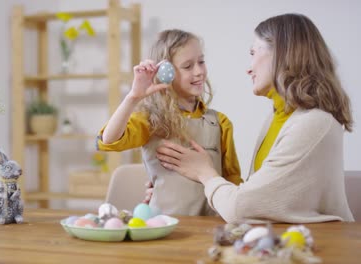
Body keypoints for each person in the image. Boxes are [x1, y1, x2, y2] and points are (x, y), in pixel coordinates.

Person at [153, 14, 354, 223]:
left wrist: (204, 173)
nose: (248, 68)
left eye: (253, 53)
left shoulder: (313, 123)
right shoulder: (279, 117)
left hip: (321, 246)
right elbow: (257, 197)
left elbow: (241, 208)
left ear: (281, 55)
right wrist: (178, 188)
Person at [96, 29, 242, 216]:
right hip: (162, 226)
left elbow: (233, 181)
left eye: (201, 62)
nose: (199, 72)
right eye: (188, 66)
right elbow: (108, 140)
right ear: (167, 73)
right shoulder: (151, 120)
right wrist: (134, 96)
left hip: (210, 226)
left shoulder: (220, 123)